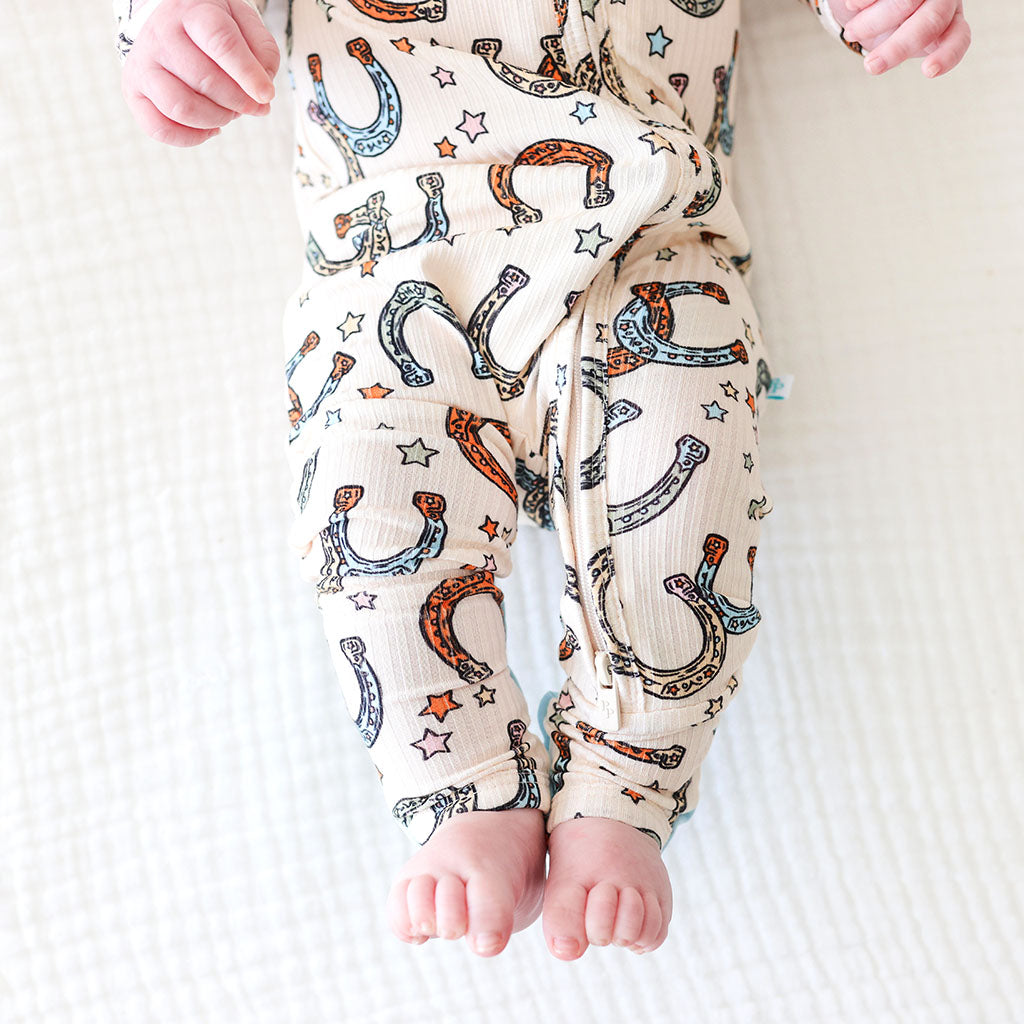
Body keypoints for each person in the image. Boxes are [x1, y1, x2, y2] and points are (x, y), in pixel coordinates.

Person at [112, 0, 971, 961]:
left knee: (684, 493)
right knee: (368, 510)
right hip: (393, 253)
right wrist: (170, 24)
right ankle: (461, 783)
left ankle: (624, 784)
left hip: (646, 244)